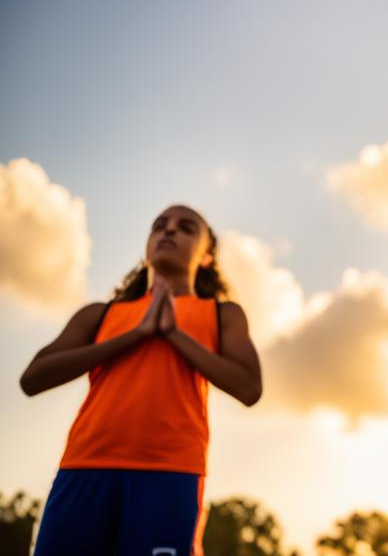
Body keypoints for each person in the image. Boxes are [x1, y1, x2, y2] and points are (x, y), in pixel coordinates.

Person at [21, 204, 264, 556]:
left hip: (170, 473)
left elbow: (249, 387)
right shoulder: (100, 314)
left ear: (207, 256)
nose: (169, 231)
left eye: (185, 228)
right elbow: (33, 378)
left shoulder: (222, 314)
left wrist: (173, 334)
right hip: (84, 469)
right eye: (159, 225)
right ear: (148, 244)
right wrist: (137, 334)